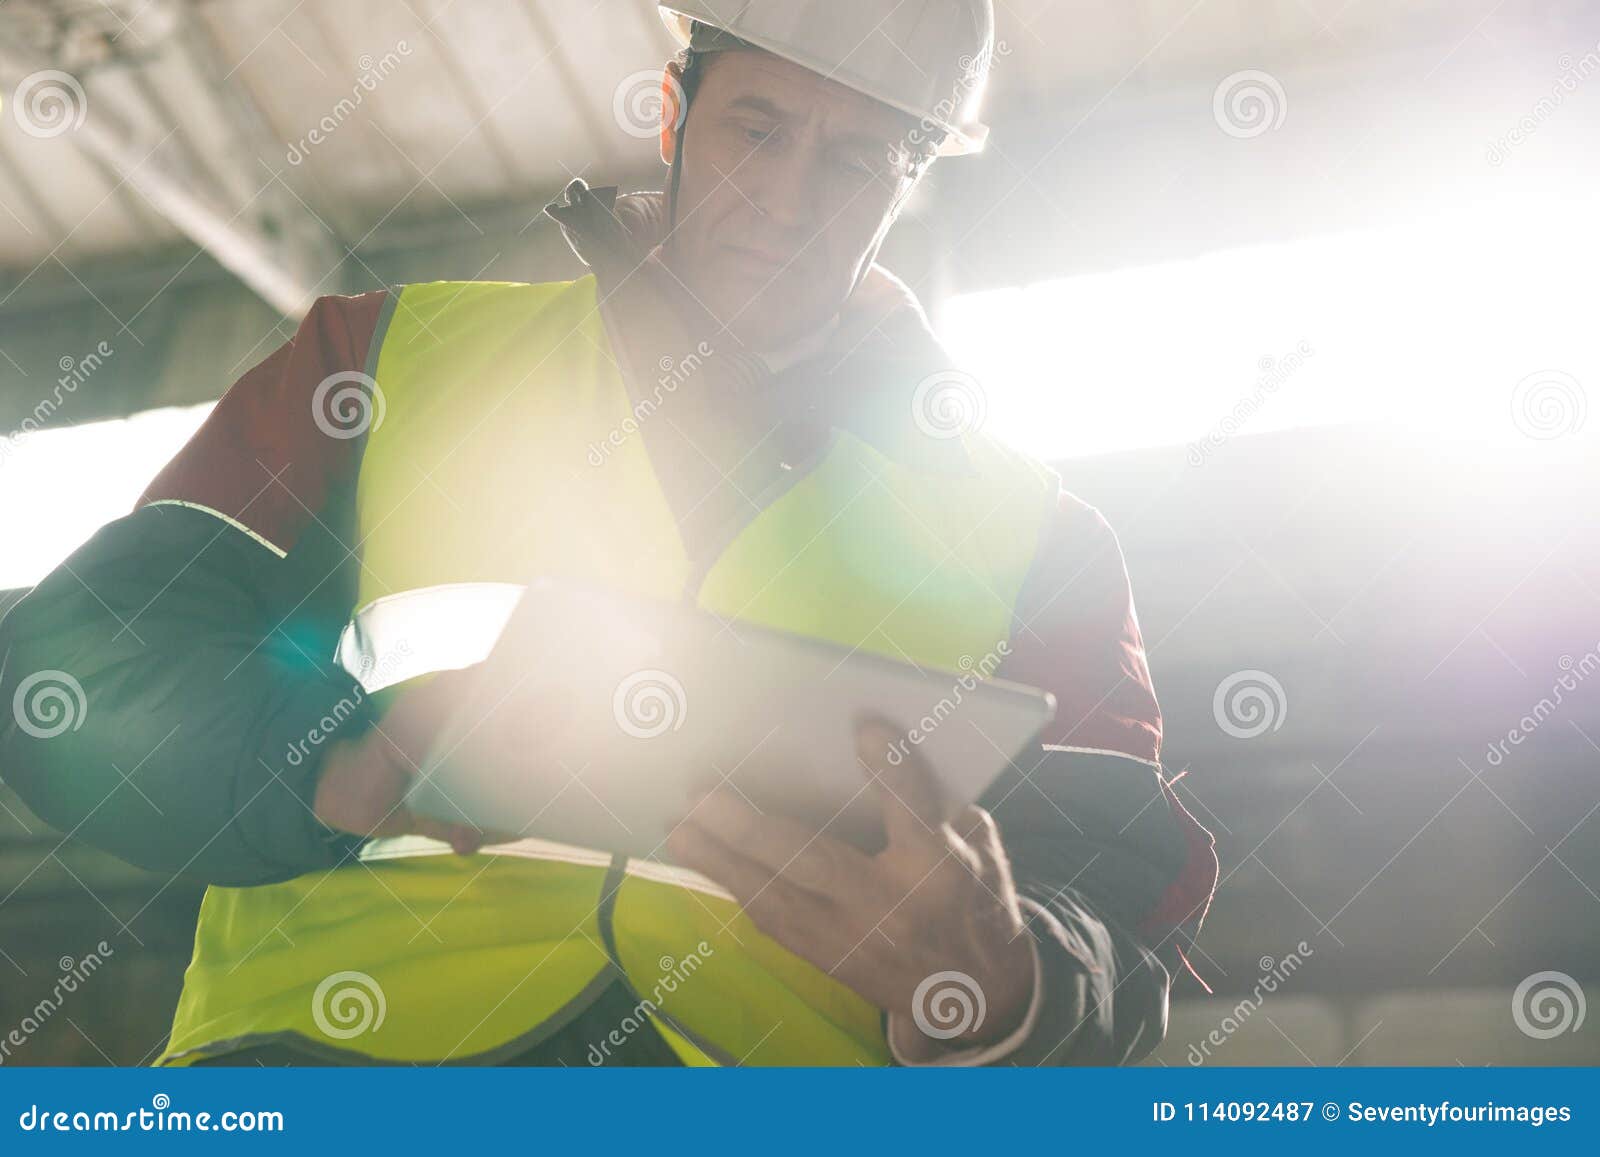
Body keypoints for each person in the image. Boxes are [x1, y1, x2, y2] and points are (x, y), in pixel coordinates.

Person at [0, 0, 1215, 1066]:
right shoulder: (380, 359)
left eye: (855, 160)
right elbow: (70, 669)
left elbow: (1122, 927)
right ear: (675, 115)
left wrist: (1001, 981)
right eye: (758, 129)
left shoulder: (1035, 534)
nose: (790, 201)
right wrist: (336, 761)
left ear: (912, 179)